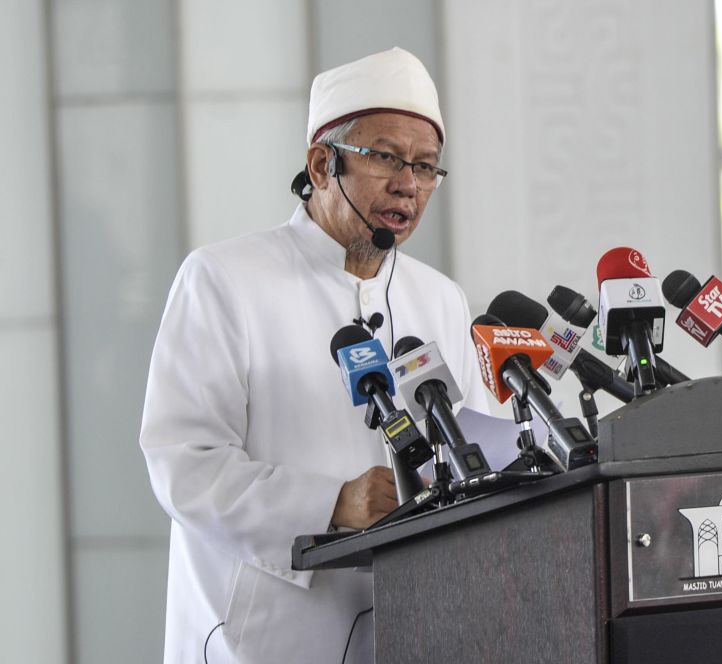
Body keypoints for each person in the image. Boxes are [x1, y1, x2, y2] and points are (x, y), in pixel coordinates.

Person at [140, 47, 488, 664]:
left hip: (418, 625)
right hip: (265, 639)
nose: (408, 183)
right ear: (322, 163)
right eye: (386, 157)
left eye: (426, 166)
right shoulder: (225, 279)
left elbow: (480, 451)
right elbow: (184, 465)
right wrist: (331, 503)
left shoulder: (440, 299)